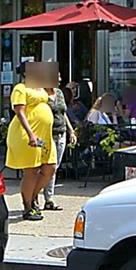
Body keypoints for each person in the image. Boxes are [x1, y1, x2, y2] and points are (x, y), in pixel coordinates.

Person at [7, 59, 59, 222]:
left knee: (49, 168)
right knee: (31, 170)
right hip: (27, 134)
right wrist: (31, 134)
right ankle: (28, 206)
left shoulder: (42, 88)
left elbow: (54, 94)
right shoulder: (20, 88)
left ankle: (34, 196)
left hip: (44, 136)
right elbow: (20, 112)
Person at [45, 80, 76, 211]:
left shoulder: (59, 93)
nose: (58, 80)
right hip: (47, 134)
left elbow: (63, 114)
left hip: (61, 133)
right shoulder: (40, 94)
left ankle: (49, 199)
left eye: (58, 77)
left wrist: (71, 131)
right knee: (46, 167)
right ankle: (35, 197)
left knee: (54, 167)